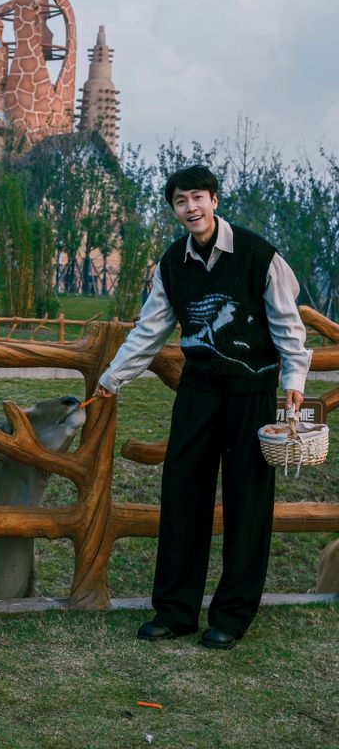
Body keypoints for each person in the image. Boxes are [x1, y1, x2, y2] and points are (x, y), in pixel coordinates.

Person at [95, 164, 311, 650]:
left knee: (247, 503)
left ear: (214, 199)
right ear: (174, 209)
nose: (190, 208)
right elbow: (150, 329)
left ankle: (231, 616)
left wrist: (294, 378)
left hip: (252, 392)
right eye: (180, 201)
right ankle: (175, 611)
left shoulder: (258, 254)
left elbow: (287, 322)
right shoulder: (172, 263)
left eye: (197, 197)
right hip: (198, 394)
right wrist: (113, 378)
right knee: (182, 497)